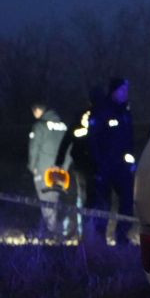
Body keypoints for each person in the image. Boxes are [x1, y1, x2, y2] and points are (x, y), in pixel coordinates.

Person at [89, 78, 137, 245]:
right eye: (122, 90)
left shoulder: (125, 112)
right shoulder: (102, 110)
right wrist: (98, 165)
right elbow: (94, 139)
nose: (125, 94)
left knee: (127, 201)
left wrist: (131, 161)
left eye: (126, 91)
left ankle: (122, 236)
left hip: (122, 166)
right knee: (103, 203)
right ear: (114, 91)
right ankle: (99, 239)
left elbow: (129, 138)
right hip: (104, 165)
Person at [55, 87, 103, 242]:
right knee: (86, 198)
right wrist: (59, 162)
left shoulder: (100, 117)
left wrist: (60, 161)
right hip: (85, 164)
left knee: (89, 198)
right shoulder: (86, 117)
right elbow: (68, 139)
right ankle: (88, 233)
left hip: (92, 164)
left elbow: (67, 141)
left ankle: (92, 232)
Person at [28, 103, 72, 238]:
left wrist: (32, 167)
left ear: (38, 110)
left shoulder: (39, 126)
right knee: (55, 199)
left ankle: (52, 232)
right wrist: (64, 168)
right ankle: (61, 230)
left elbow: (34, 148)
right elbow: (70, 149)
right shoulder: (64, 127)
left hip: (43, 170)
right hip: (60, 172)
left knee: (46, 200)